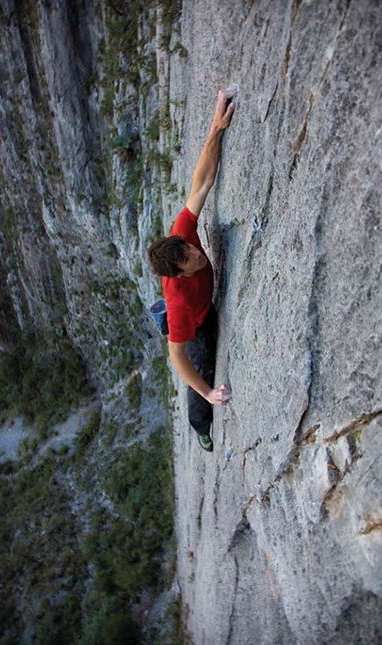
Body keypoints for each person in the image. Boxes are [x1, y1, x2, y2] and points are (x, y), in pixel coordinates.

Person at [148, 87, 236, 452]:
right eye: (188, 260)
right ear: (178, 275)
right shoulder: (180, 303)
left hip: (205, 304)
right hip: (194, 325)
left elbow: (201, 182)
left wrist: (215, 130)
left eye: (188, 250)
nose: (196, 255)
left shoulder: (181, 236)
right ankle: (200, 427)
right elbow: (177, 358)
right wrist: (209, 392)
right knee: (202, 370)